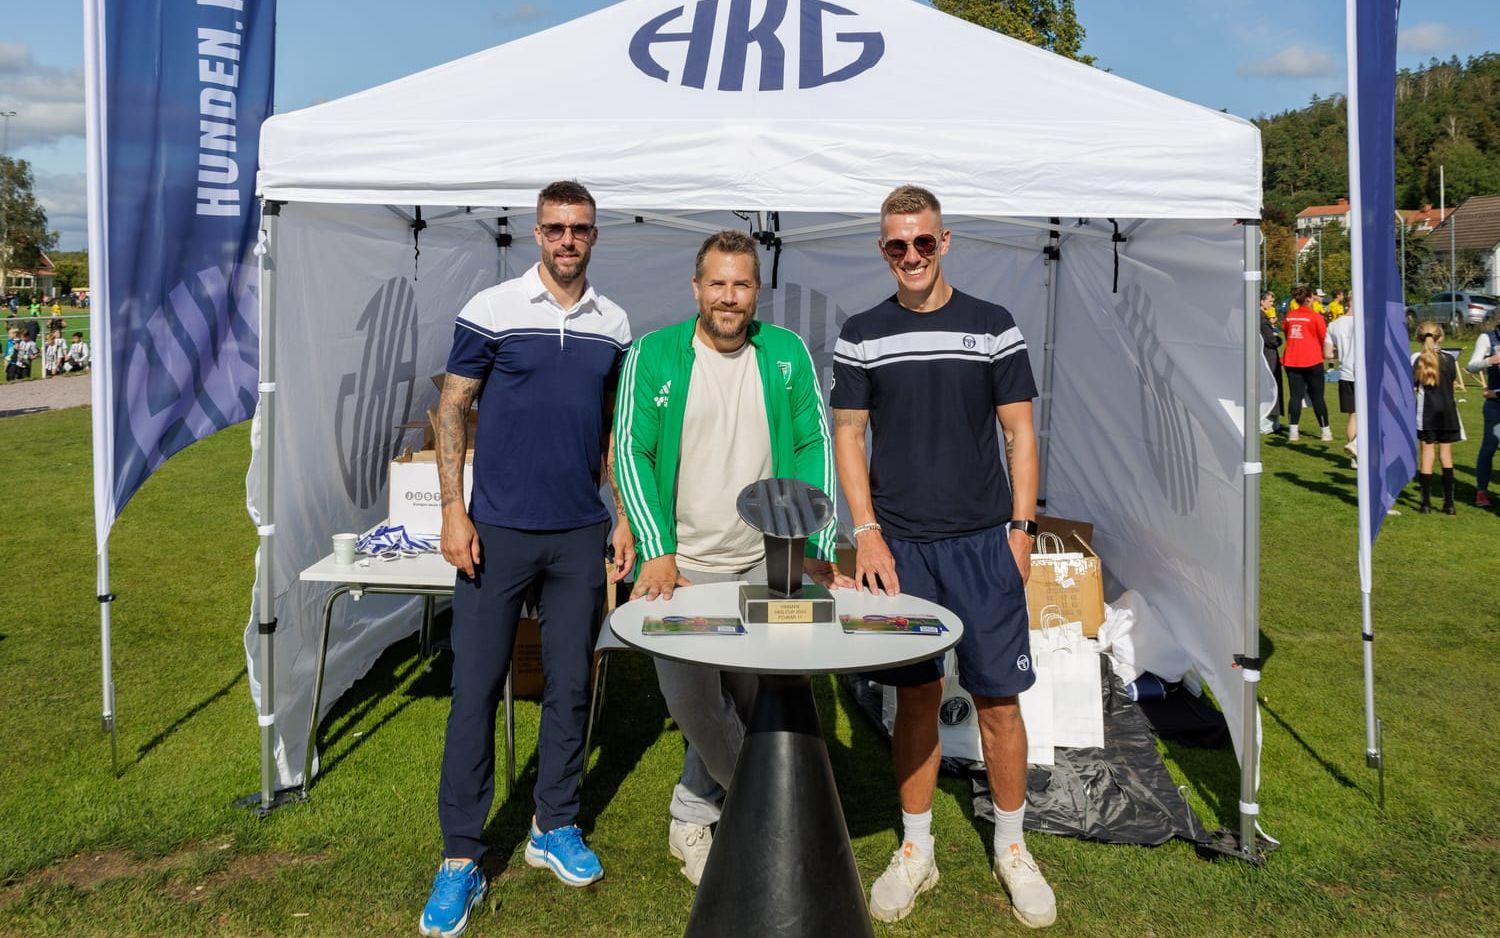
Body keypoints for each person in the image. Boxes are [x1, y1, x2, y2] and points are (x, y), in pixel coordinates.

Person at [831, 186, 1055, 928]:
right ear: (883, 250)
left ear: (945, 240)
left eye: (923, 242)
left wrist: (1022, 528)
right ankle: (916, 848)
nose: (912, 256)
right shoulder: (861, 332)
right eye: (898, 245)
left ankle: (1014, 848)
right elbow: (849, 439)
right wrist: (865, 532)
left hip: (983, 542)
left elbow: (1021, 433)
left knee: (998, 700)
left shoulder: (993, 326)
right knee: (917, 699)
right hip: (904, 550)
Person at [422, 181, 634, 938]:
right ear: (535, 233)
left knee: (573, 685)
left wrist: (622, 515)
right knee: (475, 690)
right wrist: (453, 508)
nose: (567, 240)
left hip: (579, 532)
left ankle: (554, 824)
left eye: (579, 228)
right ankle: (460, 857)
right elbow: (452, 404)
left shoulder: (615, 324)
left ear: (594, 236)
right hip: (497, 532)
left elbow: (610, 426)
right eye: (555, 228)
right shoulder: (492, 308)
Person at [613, 229, 849, 886]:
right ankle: (769, 805)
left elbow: (813, 447)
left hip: (760, 562)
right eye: (717, 283)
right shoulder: (653, 355)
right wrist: (656, 551)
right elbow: (631, 451)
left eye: (741, 284)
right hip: (681, 567)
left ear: (756, 291)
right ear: (696, 289)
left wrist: (810, 547)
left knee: (749, 696)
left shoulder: (785, 353)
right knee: (691, 697)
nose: (728, 296)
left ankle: (692, 813)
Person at [1412, 323, 1463, 514]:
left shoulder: (1417, 358)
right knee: (1446, 456)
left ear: (1418, 338)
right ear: (1440, 337)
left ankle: (1425, 504)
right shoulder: (1450, 359)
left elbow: (1412, 385)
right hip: (1448, 412)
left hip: (1427, 413)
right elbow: (1451, 384)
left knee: (1427, 454)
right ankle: (1449, 504)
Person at [1281, 286, 1331, 442]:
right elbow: (1324, 337)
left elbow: (1286, 332)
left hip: (1292, 360)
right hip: (1312, 360)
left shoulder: (1290, 316)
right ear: (1309, 298)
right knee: (1318, 397)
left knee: (1295, 397)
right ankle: (1325, 432)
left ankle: (1293, 432)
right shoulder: (1315, 317)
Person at [1467, 323, 1500, 508]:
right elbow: (1471, 366)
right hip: (1495, 405)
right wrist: (1491, 361)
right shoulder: (1487, 338)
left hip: (1495, 395)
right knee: (1489, 447)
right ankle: (1481, 491)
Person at [1324, 308, 1358, 465]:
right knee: (1370, 416)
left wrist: (1343, 353)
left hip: (1345, 374)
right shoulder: (1365, 320)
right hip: (1363, 375)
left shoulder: (1334, 325)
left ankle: (1354, 458)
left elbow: (1328, 354)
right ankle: (1356, 446)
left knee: (1353, 416)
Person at [1260, 291, 1284, 435]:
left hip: (1264, 354)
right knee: (1272, 385)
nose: (1271, 304)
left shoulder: (1261, 317)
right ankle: (1267, 422)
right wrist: (1278, 339)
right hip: (1268, 356)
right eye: (1269, 301)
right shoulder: (1262, 319)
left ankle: (1273, 422)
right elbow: (1271, 340)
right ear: (1261, 301)